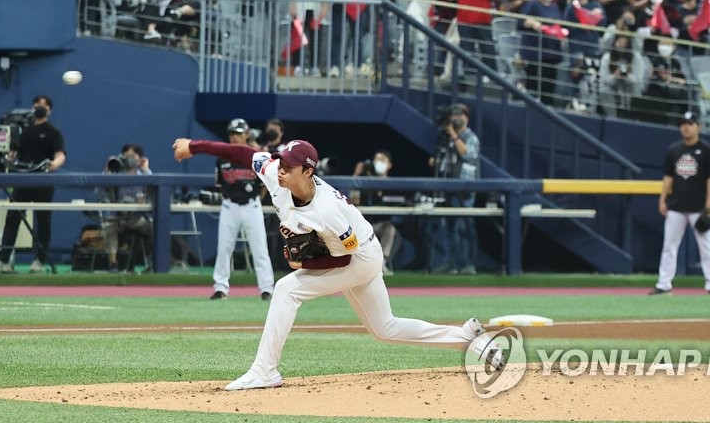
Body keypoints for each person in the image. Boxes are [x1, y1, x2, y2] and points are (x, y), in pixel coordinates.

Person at [171, 136, 500, 390]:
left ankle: (264, 370)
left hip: (359, 257)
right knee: (384, 328)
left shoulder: (328, 210)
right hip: (353, 254)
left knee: (287, 289)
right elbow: (241, 153)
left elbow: (343, 258)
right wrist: (195, 147)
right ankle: (470, 338)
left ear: (308, 170)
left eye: (288, 164)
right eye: (280, 160)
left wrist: (303, 266)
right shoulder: (275, 173)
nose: (280, 167)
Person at [0, 95, 66, 273]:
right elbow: (12, 152)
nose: (39, 108)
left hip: (43, 182)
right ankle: (3, 260)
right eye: (36, 105)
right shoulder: (22, 130)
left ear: (49, 110)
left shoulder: (54, 132)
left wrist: (55, 164)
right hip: (22, 180)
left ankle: (39, 260)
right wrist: (9, 156)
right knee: (13, 219)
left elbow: (61, 154)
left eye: (43, 106)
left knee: (43, 222)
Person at [651, 111, 710, 296]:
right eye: (683, 124)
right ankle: (664, 284)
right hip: (676, 206)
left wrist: (709, 205)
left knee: (706, 246)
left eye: (690, 123)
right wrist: (662, 199)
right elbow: (668, 177)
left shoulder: (707, 150)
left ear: (698, 126)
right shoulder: (674, 149)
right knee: (669, 246)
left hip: (698, 207)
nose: (686, 127)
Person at [210, 119, 274, 300]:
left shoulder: (255, 156)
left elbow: (264, 184)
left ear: (247, 134)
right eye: (232, 134)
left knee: (260, 248)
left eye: (239, 133)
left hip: (251, 206)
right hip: (230, 206)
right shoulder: (222, 157)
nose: (235, 137)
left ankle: (267, 288)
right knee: (224, 248)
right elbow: (220, 184)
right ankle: (220, 288)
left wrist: (256, 202)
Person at [428, 104, 480, 275]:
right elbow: (444, 158)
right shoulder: (446, 137)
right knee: (450, 226)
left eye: (461, 115)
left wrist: (454, 136)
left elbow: (468, 154)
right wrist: (436, 160)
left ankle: (469, 264)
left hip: (465, 188)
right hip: (449, 186)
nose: (457, 118)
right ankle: (452, 264)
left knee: (465, 226)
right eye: (454, 115)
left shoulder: (470, 137)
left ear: (467, 118)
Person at [100, 143, 152, 273]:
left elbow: (153, 190)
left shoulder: (144, 175)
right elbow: (99, 191)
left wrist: (146, 170)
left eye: (133, 156)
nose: (130, 158)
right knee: (108, 227)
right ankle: (113, 264)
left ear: (140, 158)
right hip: (117, 217)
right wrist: (107, 170)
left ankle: (153, 264)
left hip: (137, 218)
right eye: (126, 155)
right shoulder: (115, 173)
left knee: (156, 229)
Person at [351, 150, 402, 276]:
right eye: (376, 159)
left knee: (390, 228)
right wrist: (356, 176)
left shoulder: (392, 184)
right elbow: (351, 199)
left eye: (382, 160)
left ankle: (382, 263)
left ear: (389, 165)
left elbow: (398, 203)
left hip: (380, 225)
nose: (378, 163)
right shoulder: (364, 181)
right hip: (363, 225)